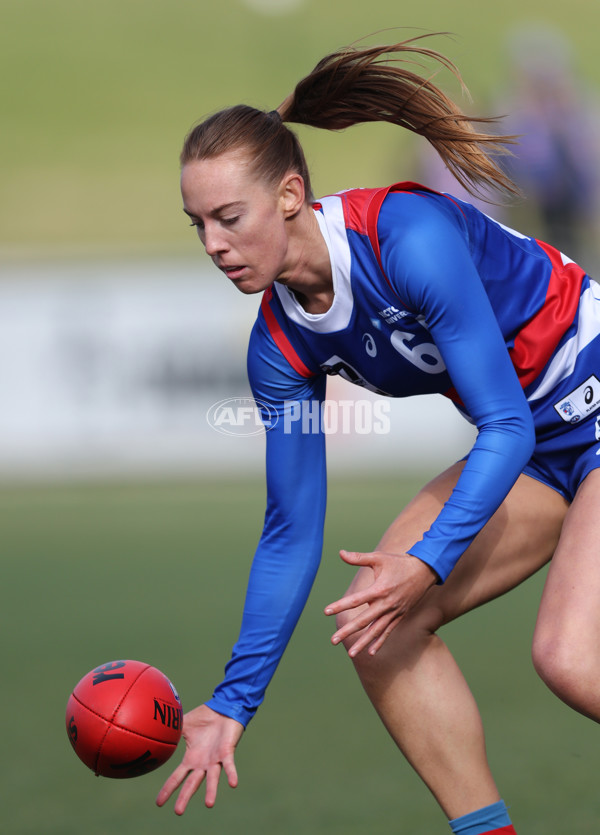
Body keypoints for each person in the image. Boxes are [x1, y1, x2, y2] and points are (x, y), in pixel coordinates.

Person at [155, 35, 600, 834]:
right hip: (541, 442)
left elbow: (503, 424)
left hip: (579, 407)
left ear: (290, 195)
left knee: (570, 659)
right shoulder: (278, 347)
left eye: (229, 217)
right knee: (376, 625)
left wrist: (425, 558)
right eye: (199, 226)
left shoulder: (405, 237)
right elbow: (291, 530)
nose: (215, 245)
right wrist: (234, 700)